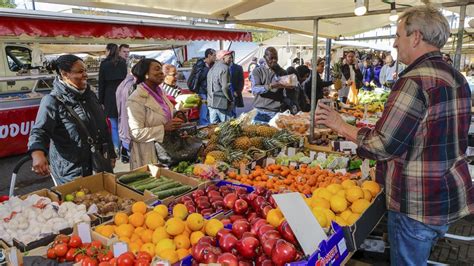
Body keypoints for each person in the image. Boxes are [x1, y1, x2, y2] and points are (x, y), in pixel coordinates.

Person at [315, 6, 473, 265]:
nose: (394, 43)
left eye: (398, 35)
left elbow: (382, 145)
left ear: (416, 37)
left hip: (415, 202)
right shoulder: (456, 77)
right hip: (445, 195)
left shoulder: (413, 81)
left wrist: (340, 125)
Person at [29, 54, 116, 184]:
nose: (85, 75)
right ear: (65, 74)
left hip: (99, 164)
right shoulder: (52, 101)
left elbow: (103, 126)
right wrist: (37, 154)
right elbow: (39, 131)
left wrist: (111, 153)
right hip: (73, 171)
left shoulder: (90, 96)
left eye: (85, 70)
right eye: (80, 72)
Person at [127, 59, 183, 169]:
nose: (161, 72)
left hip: (167, 150)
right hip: (149, 153)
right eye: (157, 69)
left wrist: (175, 115)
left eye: (161, 69)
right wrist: (164, 128)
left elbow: (162, 114)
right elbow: (135, 133)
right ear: (146, 74)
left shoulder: (159, 93)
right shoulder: (135, 99)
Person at [251, 47, 293, 124]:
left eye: (276, 58)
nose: (274, 60)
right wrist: (271, 86)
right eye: (271, 58)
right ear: (264, 57)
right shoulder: (257, 71)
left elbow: (287, 92)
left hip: (275, 112)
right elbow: (254, 89)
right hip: (260, 111)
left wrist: (291, 86)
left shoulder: (282, 72)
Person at [98, 43, 128, 153]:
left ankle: (116, 149)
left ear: (108, 50)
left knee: (114, 125)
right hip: (122, 94)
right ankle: (125, 147)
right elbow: (126, 81)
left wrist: (100, 100)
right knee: (124, 122)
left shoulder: (104, 64)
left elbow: (101, 83)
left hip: (109, 96)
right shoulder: (123, 63)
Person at [187, 48, 216, 125]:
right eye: (214, 55)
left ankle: (208, 125)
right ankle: (204, 127)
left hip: (209, 92)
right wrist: (207, 69)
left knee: (209, 112)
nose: (215, 57)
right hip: (202, 92)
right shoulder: (201, 65)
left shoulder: (212, 65)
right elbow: (199, 78)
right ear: (209, 55)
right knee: (204, 111)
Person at [115, 63, 137, 164]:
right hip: (131, 128)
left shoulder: (123, 83)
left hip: (124, 122)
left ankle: (123, 153)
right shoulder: (132, 85)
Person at [207, 50, 233, 123]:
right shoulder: (225, 68)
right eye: (229, 58)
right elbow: (225, 87)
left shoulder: (212, 68)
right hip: (221, 103)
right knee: (227, 128)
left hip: (211, 103)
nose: (231, 60)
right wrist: (230, 99)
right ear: (223, 58)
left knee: (214, 129)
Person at [229, 52, 245, 117]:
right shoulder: (223, 67)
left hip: (234, 93)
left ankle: (233, 123)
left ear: (232, 58)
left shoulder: (238, 68)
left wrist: (238, 92)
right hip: (225, 93)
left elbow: (241, 81)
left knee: (233, 111)